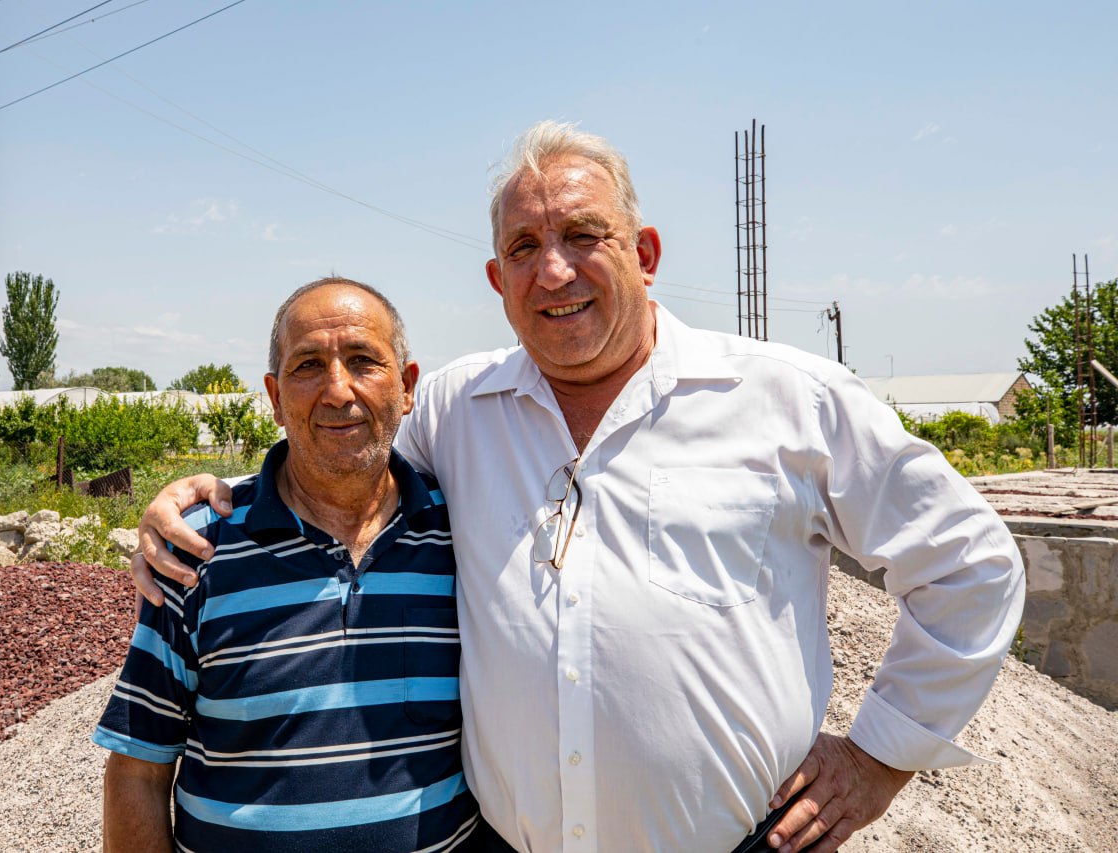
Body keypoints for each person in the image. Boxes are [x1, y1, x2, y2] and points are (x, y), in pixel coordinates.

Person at [131, 123, 1025, 853]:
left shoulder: (788, 399)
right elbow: (341, 446)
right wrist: (208, 501)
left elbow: (971, 564)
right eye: (524, 247)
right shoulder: (457, 409)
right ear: (497, 280)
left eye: (583, 236)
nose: (553, 270)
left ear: (645, 252)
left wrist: (876, 758)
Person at [94, 279, 487, 851]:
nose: (338, 390)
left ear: (406, 387)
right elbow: (139, 767)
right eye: (308, 366)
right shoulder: (198, 548)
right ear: (275, 398)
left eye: (363, 361)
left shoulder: (462, 533)